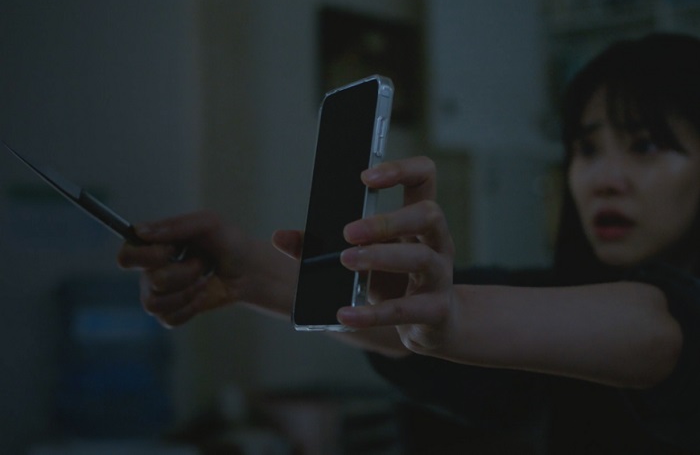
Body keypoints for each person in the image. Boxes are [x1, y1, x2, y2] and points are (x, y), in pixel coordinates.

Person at [117, 32, 700, 453]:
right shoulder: (554, 292)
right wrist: (244, 268)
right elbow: (413, 315)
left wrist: (452, 317)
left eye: (645, 146)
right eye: (587, 149)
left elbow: (660, 325)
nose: (603, 179)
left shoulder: (656, 316)